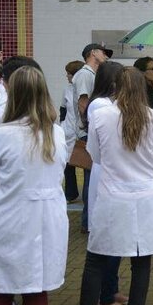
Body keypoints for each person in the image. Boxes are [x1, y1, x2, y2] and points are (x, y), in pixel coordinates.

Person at [63, 67, 153, 305]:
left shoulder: (101, 115)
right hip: (146, 197)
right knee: (141, 263)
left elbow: (95, 155)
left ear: (116, 87)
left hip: (112, 197)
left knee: (95, 262)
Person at [0, 66, 69, 305]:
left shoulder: (2, 135)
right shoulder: (57, 133)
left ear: (12, 94)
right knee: (36, 291)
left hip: (10, 219)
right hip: (49, 220)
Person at [82, 61, 129, 305]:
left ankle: (111, 289)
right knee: (109, 237)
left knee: (116, 237)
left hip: (110, 172)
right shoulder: (102, 105)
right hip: (106, 172)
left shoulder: (107, 104)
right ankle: (104, 298)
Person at [73, 43, 112, 234]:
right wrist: (90, 127)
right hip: (89, 131)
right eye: (103, 52)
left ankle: (91, 220)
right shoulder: (85, 74)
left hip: (93, 129)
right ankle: (88, 222)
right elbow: (83, 102)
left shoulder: (93, 74)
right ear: (92, 53)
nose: (105, 55)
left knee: (94, 176)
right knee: (91, 177)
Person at [60, 60, 85, 202]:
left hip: (82, 131)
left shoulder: (86, 87)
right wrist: (62, 123)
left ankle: (87, 195)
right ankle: (71, 193)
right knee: (68, 164)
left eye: (69, 74)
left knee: (84, 162)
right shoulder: (67, 89)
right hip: (68, 130)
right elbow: (63, 108)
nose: (67, 76)